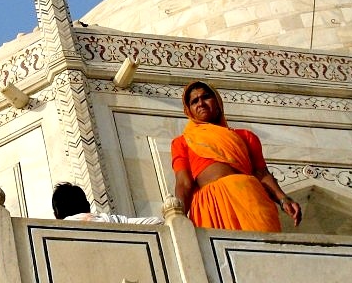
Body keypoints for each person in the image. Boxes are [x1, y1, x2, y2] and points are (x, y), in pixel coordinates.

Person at [171, 80, 302, 232]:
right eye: (194, 101)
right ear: (189, 110)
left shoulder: (246, 136)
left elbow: (262, 173)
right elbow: (184, 183)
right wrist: (177, 216)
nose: (201, 103)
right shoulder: (182, 142)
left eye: (206, 97)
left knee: (264, 248)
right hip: (212, 205)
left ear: (218, 102)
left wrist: (282, 198)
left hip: (250, 197)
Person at [52, 182, 163, 224]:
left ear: (56, 215)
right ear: (88, 207)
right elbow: (157, 222)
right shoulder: (110, 221)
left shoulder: (52, 236)